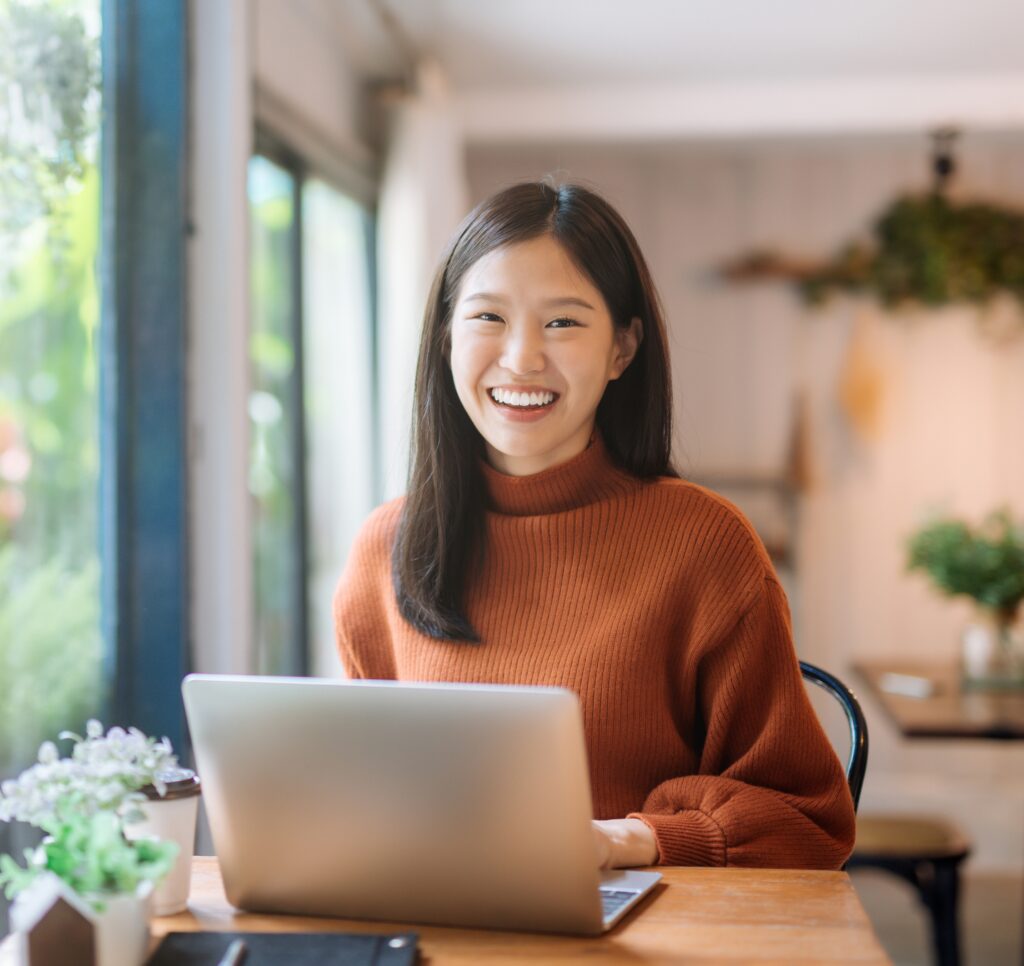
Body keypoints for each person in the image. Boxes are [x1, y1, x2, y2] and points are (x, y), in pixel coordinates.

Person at [334, 181, 855, 871]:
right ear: (445, 338)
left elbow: (808, 817)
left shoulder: (705, 546)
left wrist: (632, 840)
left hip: (639, 932)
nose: (521, 359)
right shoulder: (386, 548)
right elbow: (359, 788)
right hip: (435, 918)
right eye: (488, 317)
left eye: (563, 323)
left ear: (622, 349)